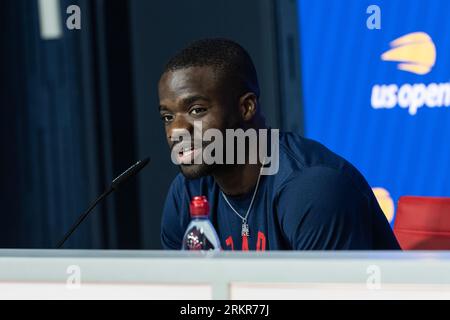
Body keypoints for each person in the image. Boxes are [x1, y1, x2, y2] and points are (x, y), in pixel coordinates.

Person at [158, 38, 400, 250]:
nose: (176, 130)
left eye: (197, 110)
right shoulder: (188, 194)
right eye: (168, 117)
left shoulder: (312, 189)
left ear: (246, 107)